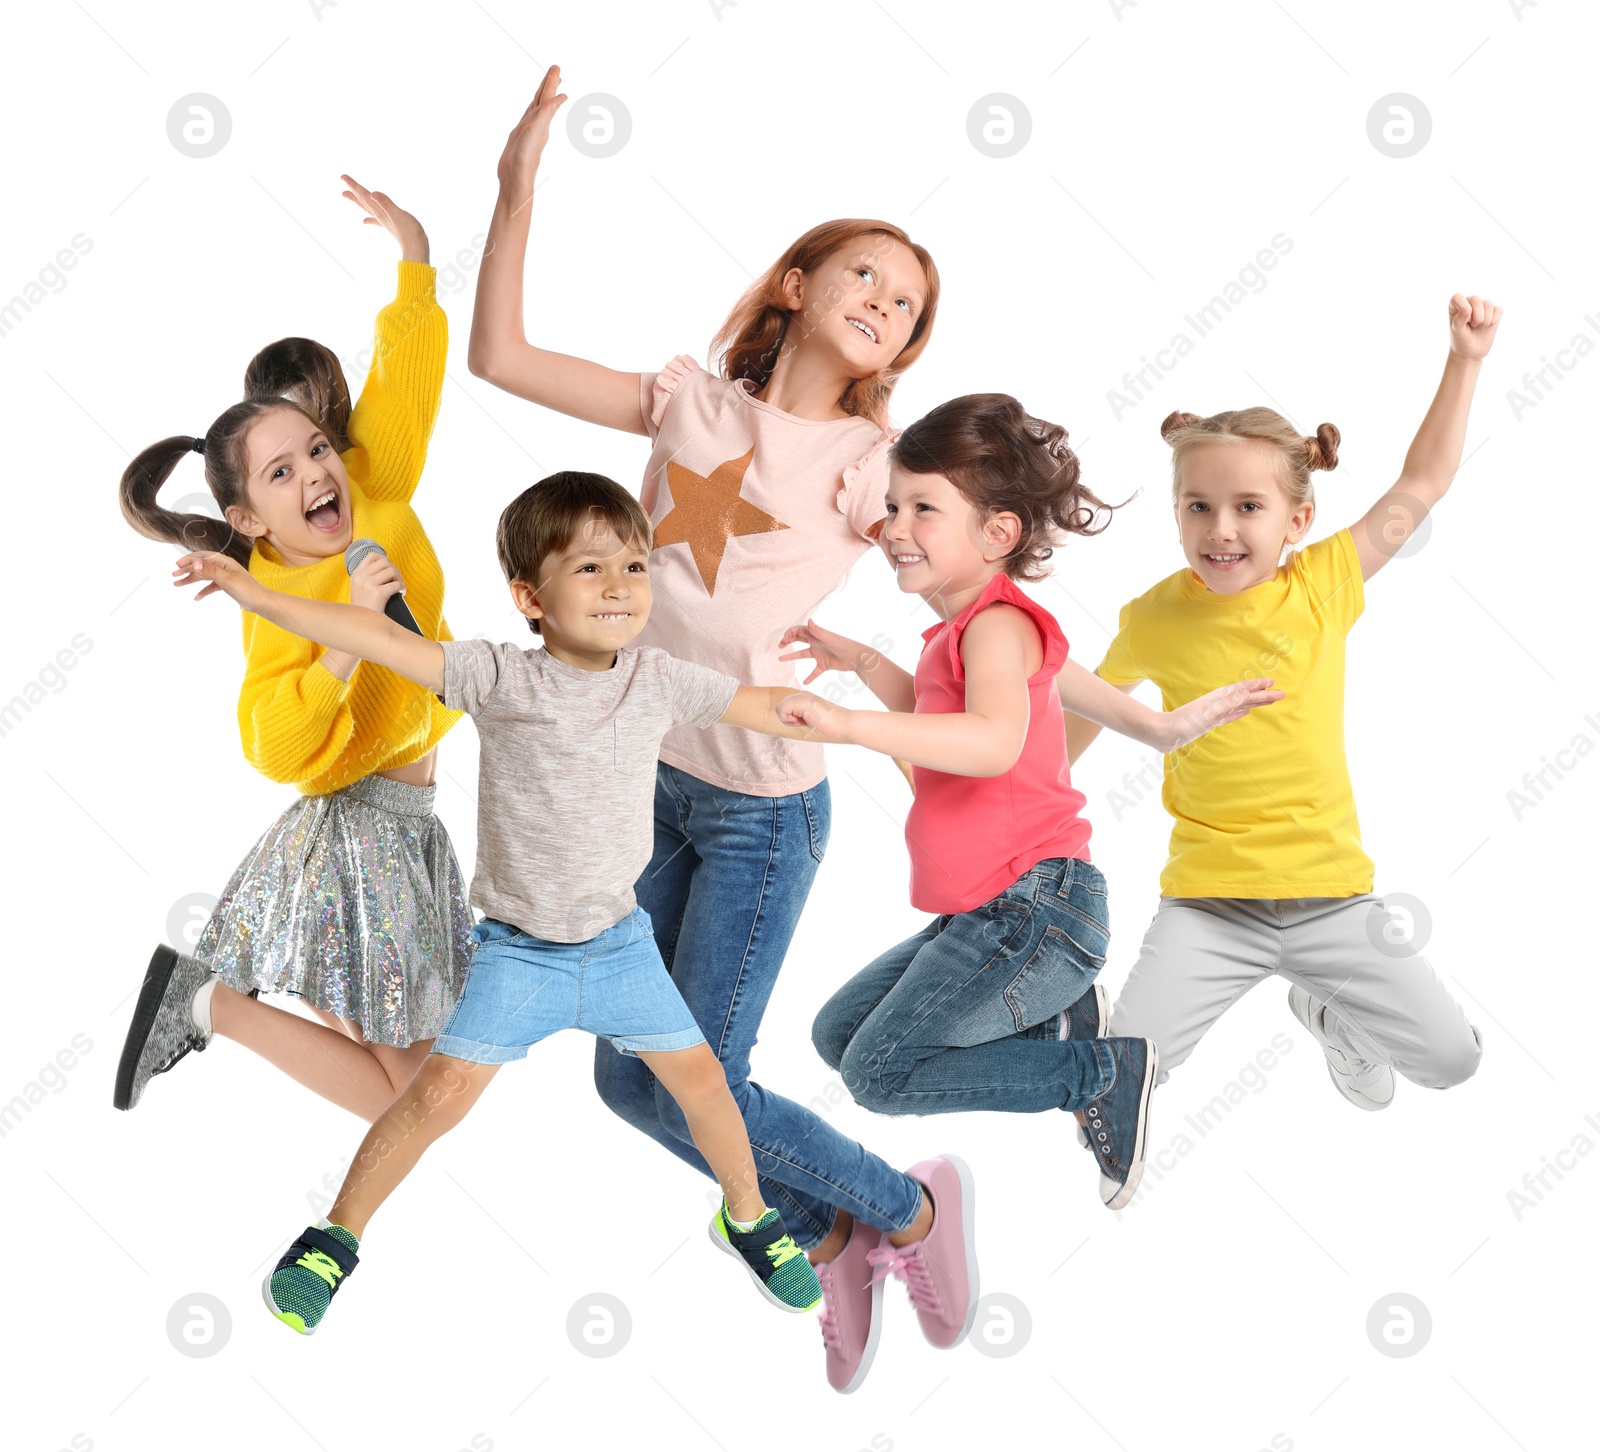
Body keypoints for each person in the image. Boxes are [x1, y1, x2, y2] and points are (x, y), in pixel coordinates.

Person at [468, 66, 970, 1393]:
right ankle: (845, 1226)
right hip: (646, 784)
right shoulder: (689, 401)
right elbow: (500, 358)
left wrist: (911, 663)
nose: (885, 304)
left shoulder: (870, 468)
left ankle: (903, 1212)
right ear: (798, 284)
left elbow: (957, 568)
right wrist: (517, 190)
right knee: (642, 1079)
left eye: (908, 306)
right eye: (867, 276)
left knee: (661, 1084)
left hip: (758, 811)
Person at [167, 472, 899, 1333]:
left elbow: (761, 705)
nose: (621, 587)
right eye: (591, 570)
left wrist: (860, 723)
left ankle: (749, 1218)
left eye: (634, 566)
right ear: (530, 597)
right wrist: (252, 590)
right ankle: (333, 1241)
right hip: (520, 955)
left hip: (621, 950)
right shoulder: (495, 677)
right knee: (434, 1098)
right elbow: (365, 632)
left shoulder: (657, 680)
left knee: (706, 1084)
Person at [777, 395, 1280, 1212]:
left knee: (880, 1073)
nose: (894, 526)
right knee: (840, 1037)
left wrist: (849, 724)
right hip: (994, 915)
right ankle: (1063, 1024)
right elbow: (965, 721)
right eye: (894, 505)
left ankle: (1100, 1072)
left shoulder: (995, 630)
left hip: (1032, 913)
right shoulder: (969, 631)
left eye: (923, 509)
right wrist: (862, 661)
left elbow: (992, 742)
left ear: (998, 534)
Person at [1066, 294, 1501, 1123]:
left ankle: (1333, 1017)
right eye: (1198, 506)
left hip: (1331, 900)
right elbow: (1084, 714)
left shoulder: (1324, 584)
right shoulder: (1153, 615)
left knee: (1452, 1062)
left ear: (1298, 520)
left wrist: (1465, 359)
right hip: (1208, 908)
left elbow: (1424, 481)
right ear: (1177, 512)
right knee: (1112, 1088)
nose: (1219, 529)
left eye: (1248, 508)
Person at [113, 180, 473, 1121]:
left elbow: (408, 381)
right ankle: (211, 1003)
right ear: (248, 517)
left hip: (412, 825)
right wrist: (346, 641)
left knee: (421, 1100)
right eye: (283, 473)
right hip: (356, 836)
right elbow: (272, 744)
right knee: (429, 1101)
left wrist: (416, 260)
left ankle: (207, 1001)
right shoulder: (275, 593)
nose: (316, 474)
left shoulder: (375, 490)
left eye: (316, 451)